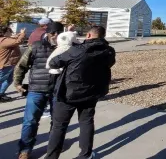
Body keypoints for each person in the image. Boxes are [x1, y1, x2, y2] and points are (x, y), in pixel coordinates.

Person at [45, 26, 116, 159]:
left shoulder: (76, 50)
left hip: (68, 93)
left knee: (59, 126)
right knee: (86, 122)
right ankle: (85, 154)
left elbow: (54, 63)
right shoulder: (109, 51)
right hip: (91, 92)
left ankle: (52, 156)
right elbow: (109, 64)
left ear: (88, 35)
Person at [14, 21, 64, 159]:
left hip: (58, 91)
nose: (56, 36)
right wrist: (17, 83)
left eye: (60, 34)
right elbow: (21, 65)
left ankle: (54, 146)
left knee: (57, 121)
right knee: (30, 121)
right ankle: (25, 150)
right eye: (54, 33)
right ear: (49, 33)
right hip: (37, 89)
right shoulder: (36, 47)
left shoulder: (66, 49)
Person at [0, 26, 26, 102]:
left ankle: (1, 93)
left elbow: (14, 39)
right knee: (1, 80)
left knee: (9, 79)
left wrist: (18, 35)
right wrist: (22, 34)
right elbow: (18, 41)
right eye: (9, 32)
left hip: (10, 64)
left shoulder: (5, 40)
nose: (11, 33)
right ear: (4, 33)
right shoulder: (4, 41)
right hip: (5, 65)